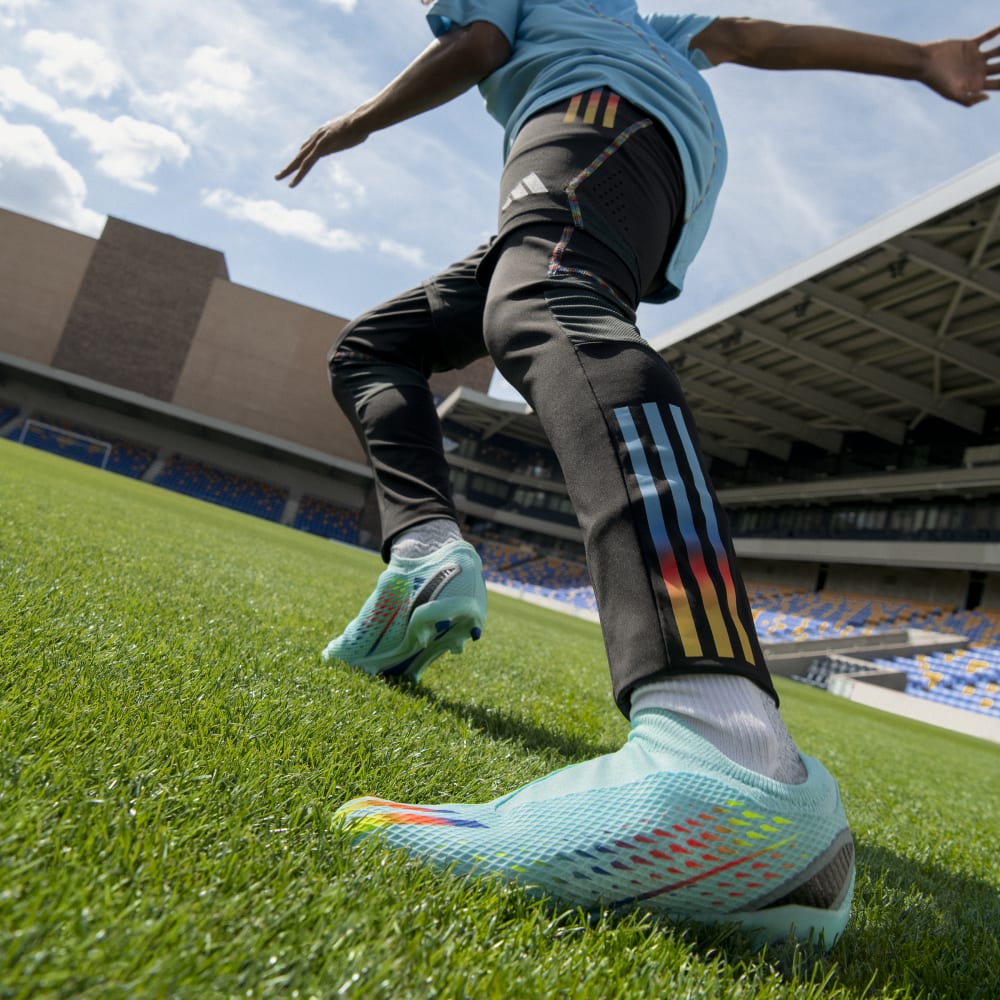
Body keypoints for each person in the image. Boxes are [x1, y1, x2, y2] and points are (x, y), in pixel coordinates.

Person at [277, 2, 998, 946]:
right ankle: (425, 556)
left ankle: (726, 748)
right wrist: (919, 58)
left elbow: (482, 42)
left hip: (600, 122)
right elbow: (750, 38)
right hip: (648, 162)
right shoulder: (638, 16)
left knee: (546, 301)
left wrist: (355, 121)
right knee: (378, 347)